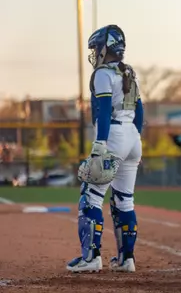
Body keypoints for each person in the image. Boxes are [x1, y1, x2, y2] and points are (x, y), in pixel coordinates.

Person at [67, 24, 144, 273]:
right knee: (124, 201)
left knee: (91, 197)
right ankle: (126, 259)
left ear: (105, 47)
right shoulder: (129, 71)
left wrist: (100, 143)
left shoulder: (103, 73)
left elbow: (102, 109)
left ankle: (91, 257)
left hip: (112, 134)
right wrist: (136, 140)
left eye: (97, 46)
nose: (95, 51)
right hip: (132, 135)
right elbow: (139, 110)